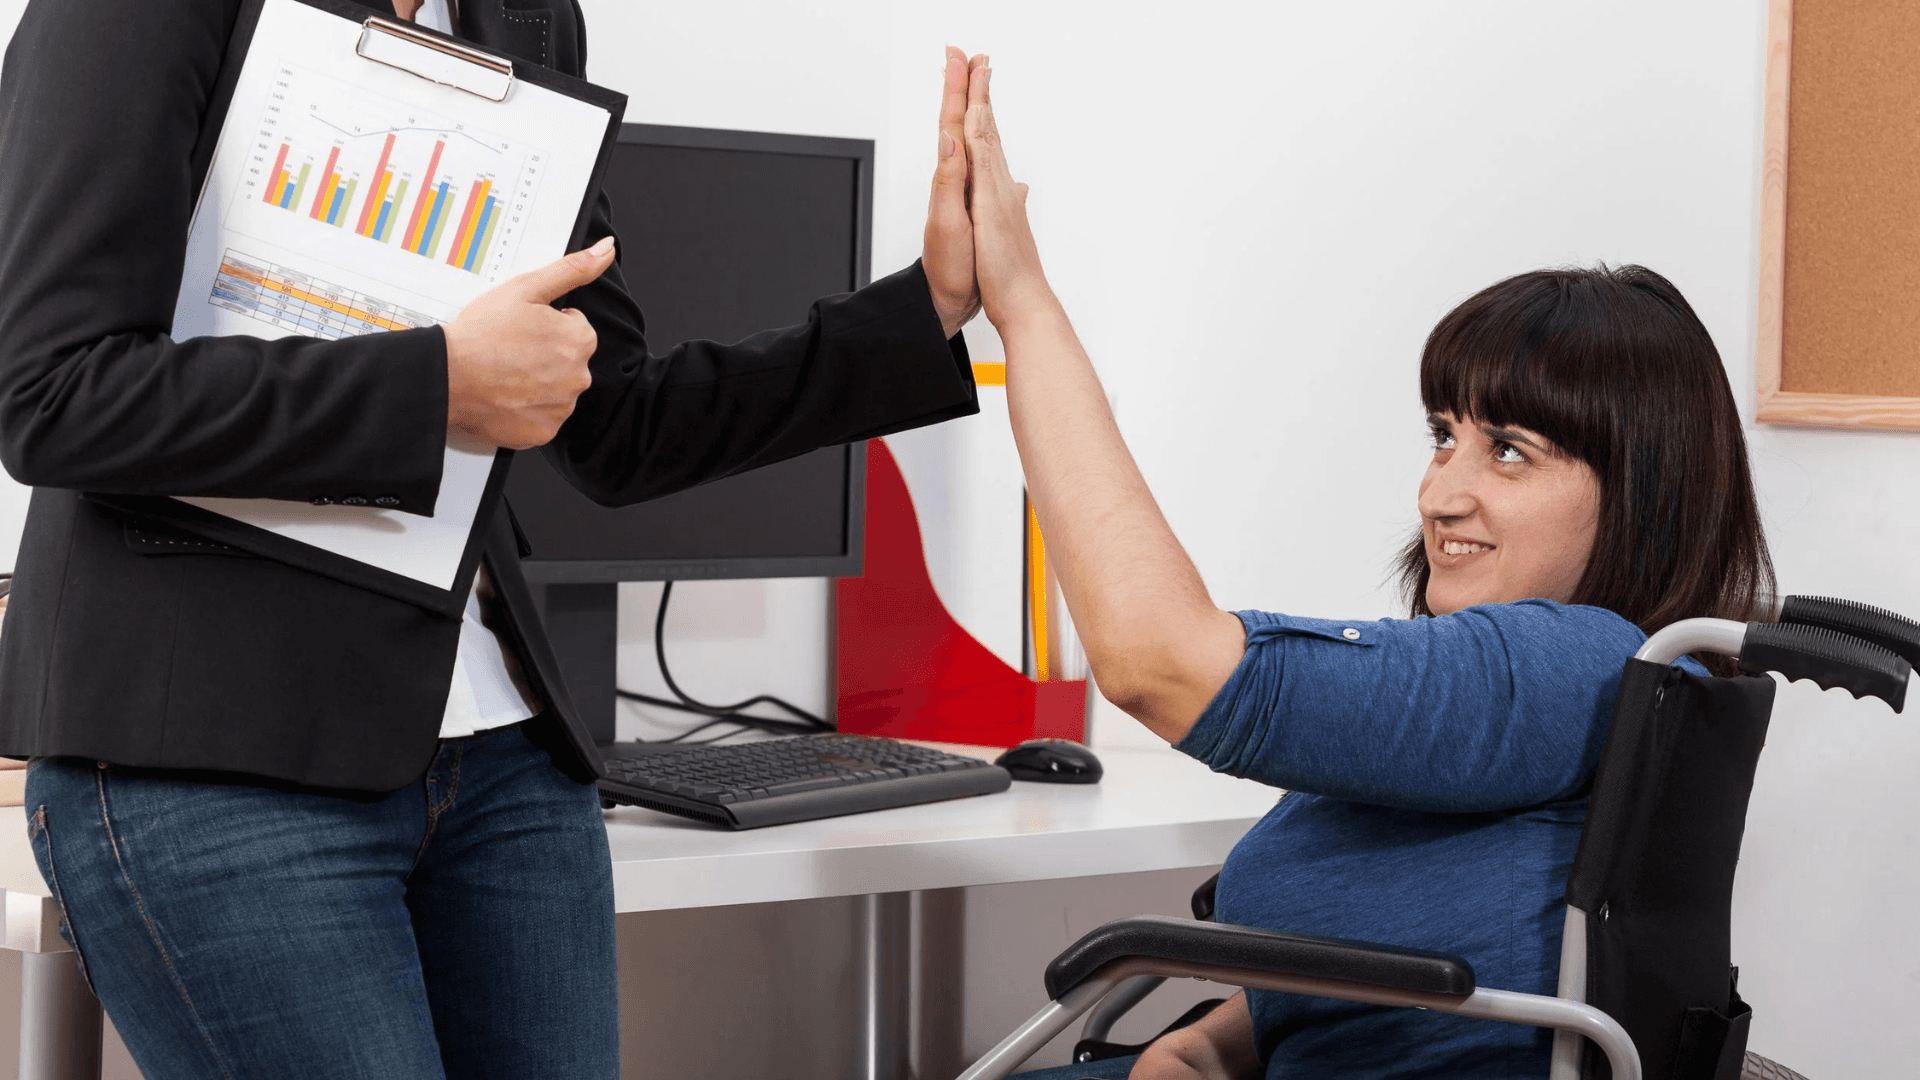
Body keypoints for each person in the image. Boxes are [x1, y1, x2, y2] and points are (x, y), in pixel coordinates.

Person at [0, 1, 989, 1076]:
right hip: (215, 761)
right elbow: (54, 393)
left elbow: (618, 427)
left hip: (507, 765)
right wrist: (435, 384)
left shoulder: (522, 14)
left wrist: (927, 306)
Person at [954, 61, 1774, 1080]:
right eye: (1444, 436)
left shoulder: (1569, 667)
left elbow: (1154, 663)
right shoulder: (1571, 691)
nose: (1439, 494)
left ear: (1640, 489)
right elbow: (1465, 972)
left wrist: (1022, 305)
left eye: (1509, 450)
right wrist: (1211, 1044)